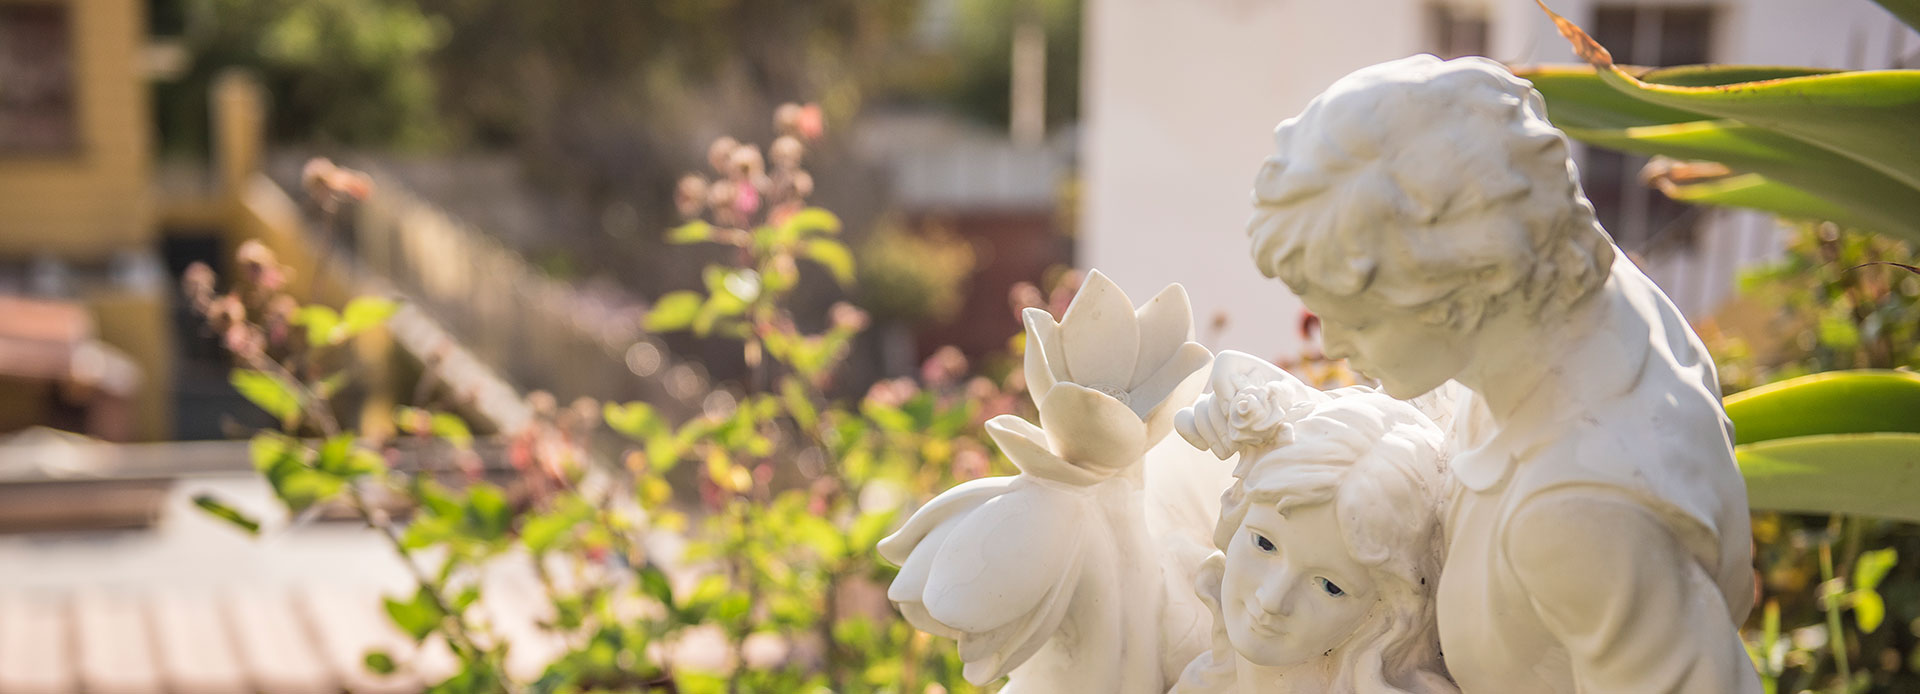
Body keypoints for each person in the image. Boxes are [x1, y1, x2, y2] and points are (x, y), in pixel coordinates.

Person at [1238, 55, 1759, 693]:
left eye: (1361, 320)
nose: (1334, 344)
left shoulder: (1582, 511)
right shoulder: (1567, 289)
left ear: (1470, 288)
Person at [1174, 379, 1457, 694]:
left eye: (1330, 587)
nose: (1271, 600)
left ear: (1386, 617)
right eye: (1264, 544)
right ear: (1237, 518)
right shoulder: (1203, 681)